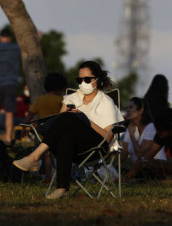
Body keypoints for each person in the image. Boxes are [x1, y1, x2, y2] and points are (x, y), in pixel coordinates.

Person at [13, 60, 124, 200]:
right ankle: (62, 189)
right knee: (65, 132)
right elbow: (59, 126)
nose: (83, 82)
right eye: (80, 79)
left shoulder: (106, 102)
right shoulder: (71, 99)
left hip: (96, 146)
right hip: (72, 148)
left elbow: (107, 138)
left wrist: (85, 120)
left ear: (97, 79)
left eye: (87, 79)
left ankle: (34, 157)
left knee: (70, 117)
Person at [120, 97, 166, 181]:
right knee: (111, 168)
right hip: (138, 170)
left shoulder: (151, 127)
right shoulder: (130, 128)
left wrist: (132, 136)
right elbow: (123, 158)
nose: (127, 110)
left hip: (153, 170)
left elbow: (141, 154)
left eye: (131, 107)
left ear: (141, 110)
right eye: (127, 108)